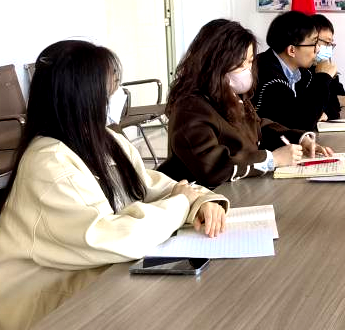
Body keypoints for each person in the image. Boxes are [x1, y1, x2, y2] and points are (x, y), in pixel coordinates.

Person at [0, 41, 229, 330]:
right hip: (49, 304)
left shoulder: (105, 139)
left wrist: (201, 201)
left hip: (99, 281)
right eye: (111, 88)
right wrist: (182, 203)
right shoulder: (49, 163)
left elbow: (151, 185)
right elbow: (114, 237)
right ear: (83, 96)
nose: (118, 95)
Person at [158, 19, 332, 188]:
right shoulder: (190, 108)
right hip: (200, 196)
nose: (249, 70)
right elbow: (212, 168)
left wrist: (299, 139)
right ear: (216, 63)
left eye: (250, 62)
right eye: (241, 64)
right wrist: (272, 159)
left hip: (239, 188)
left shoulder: (232, 95)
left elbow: (259, 127)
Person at [254, 11, 338, 130]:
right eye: (314, 43)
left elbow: (333, 106)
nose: (318, 49)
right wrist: (323, 77)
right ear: (292, 50)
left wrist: (320, 113)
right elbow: (301, 123)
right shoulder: (269, 77)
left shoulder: (302, 72)